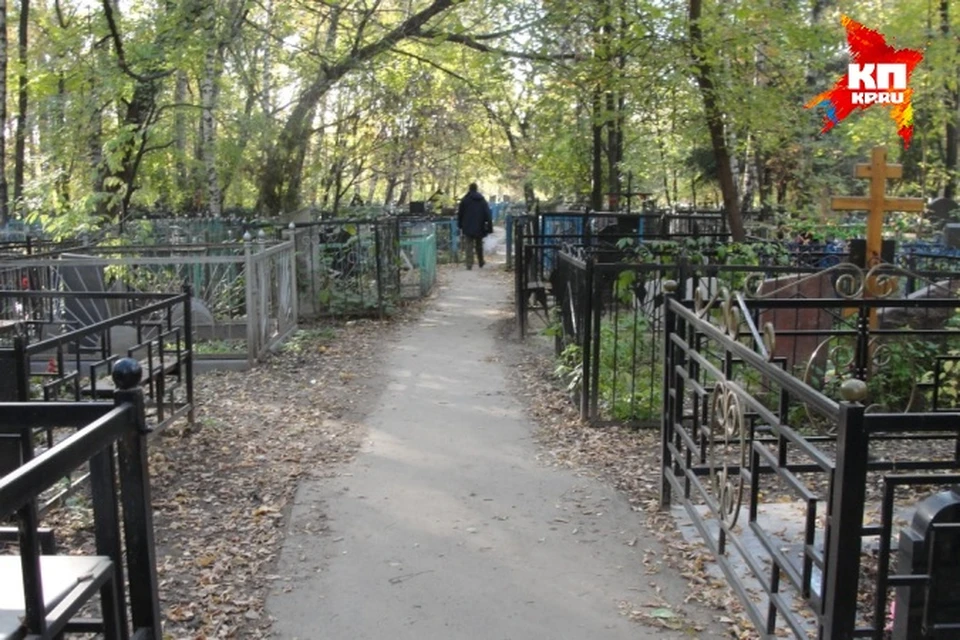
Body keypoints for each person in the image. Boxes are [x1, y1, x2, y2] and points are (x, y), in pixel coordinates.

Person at [457, 183, 493, 269]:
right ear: (476, 189)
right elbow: (488, 214)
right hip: (479, 226)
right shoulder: (482, 200)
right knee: (479, 244)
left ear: (469, 189)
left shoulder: (465, 200)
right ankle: (480, 261)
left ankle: (469, 264)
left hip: (467, 226)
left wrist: (460, 225)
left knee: (468, 245)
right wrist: (489, 227)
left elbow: (460, 214)